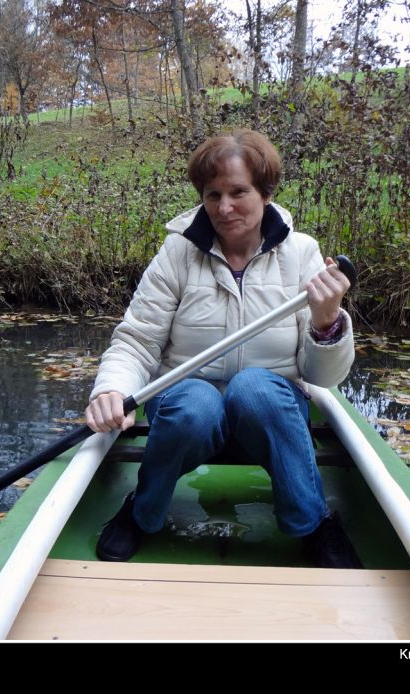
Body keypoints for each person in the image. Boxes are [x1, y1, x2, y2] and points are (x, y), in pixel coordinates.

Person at [84, 129, 359, 567]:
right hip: (188, 418)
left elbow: (323, 377)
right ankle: (142, 512)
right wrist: (111, 390)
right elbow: (138, 340)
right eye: (213, 195)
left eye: (238, 192)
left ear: (266, 192)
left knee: (255, 387)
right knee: (195, 400)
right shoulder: (177, 254)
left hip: (269, 417)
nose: (224, 207)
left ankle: (312, 523)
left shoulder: (301, 252)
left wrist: (326, 323)